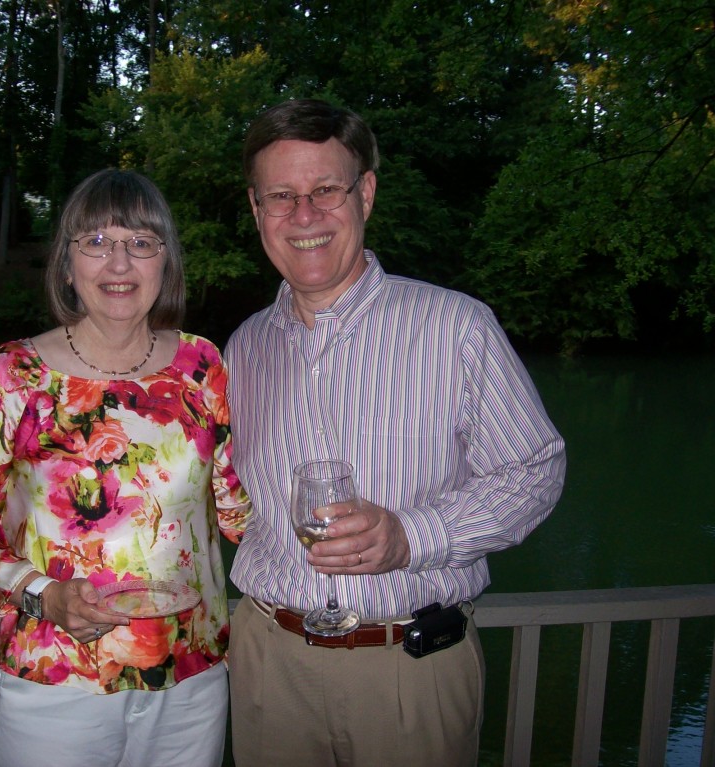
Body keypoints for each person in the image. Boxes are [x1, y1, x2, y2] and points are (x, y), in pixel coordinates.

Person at [224, 98, 567, 767]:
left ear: (367, 193)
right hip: (268, 668)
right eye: (281, 196)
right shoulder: (240, 351)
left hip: (409, 674)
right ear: (257, 209)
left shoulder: (457, 328)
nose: (304, 215)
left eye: (326, 190)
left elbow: (536, 469)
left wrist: (413, 535)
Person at [0, 168, 249, 767]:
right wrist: (43, 595)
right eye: (97, 242)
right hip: (55, 680)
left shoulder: (201, 365)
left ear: (166, 261)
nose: (120, 263)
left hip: (189, 677)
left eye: (141, 242)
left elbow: (236, 510)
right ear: (67, 261)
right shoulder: (15, 375)